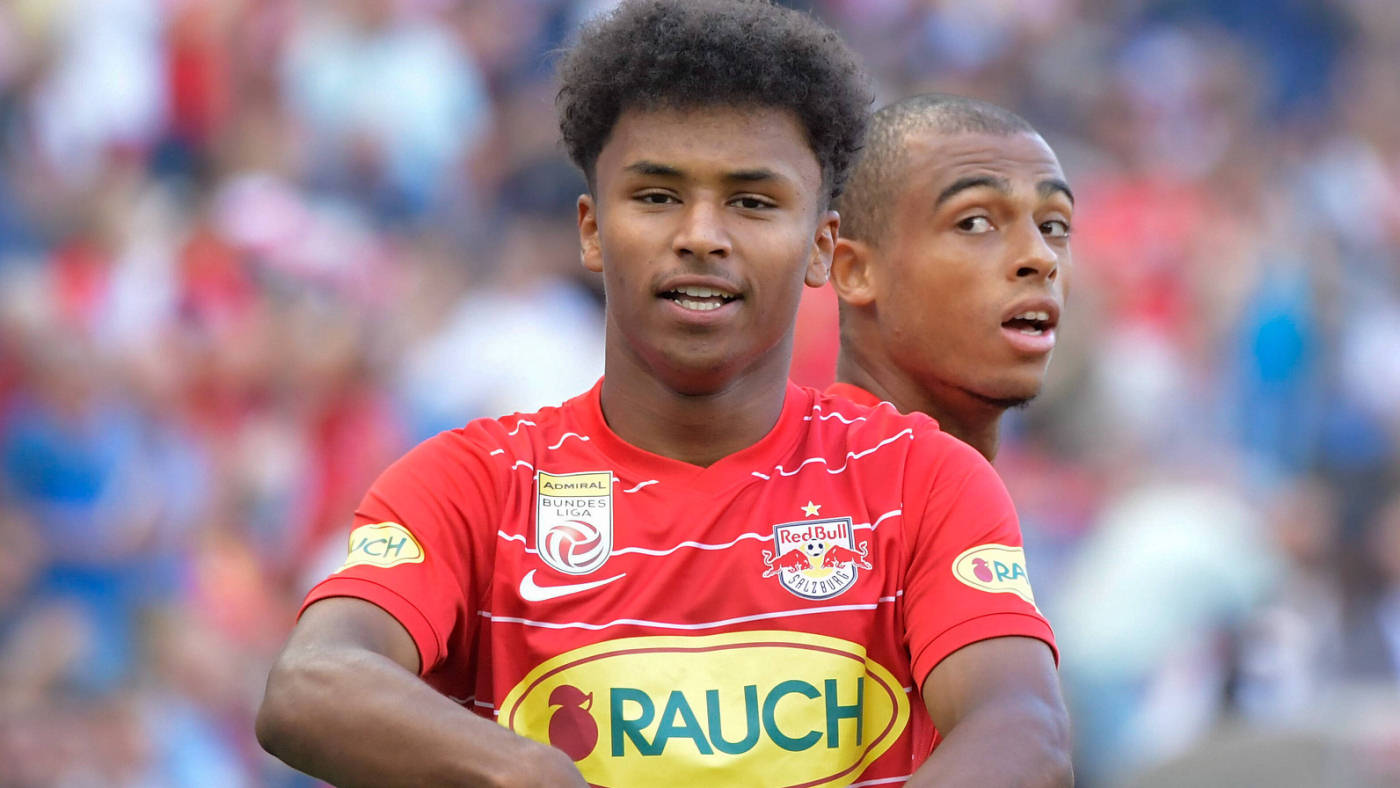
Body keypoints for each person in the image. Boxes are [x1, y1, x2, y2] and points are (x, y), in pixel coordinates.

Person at [256, 3, 1070, 786]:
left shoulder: (922, 480)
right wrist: (525, 771)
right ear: (590, 229)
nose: (701, 236)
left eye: (752, 202)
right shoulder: (474, 484)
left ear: (822, 247)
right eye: (656, 197)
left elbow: (1024, 731)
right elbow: (311, 681)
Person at [828, 94, 1074, 461]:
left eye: (1053, 226)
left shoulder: (954, 483)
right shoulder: (798, 489)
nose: (1041, 257)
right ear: (855, 271)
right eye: (974, 222)